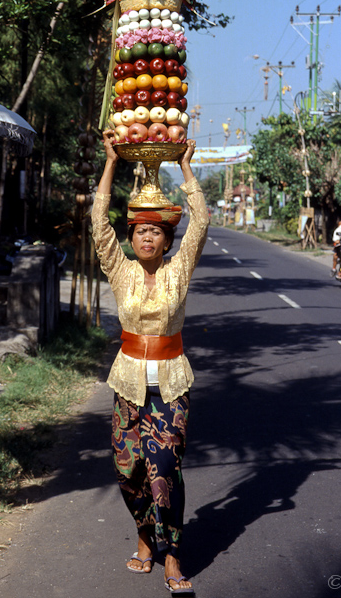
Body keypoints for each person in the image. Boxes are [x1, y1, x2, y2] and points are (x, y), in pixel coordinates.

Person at [91, 130, 209, 594]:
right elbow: (99, 224)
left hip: (171, 386)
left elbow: (200, 222)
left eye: (155, 231)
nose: (146, 237)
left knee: (165, 469)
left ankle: (172, 555)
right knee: (129, 471)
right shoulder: (120, 270)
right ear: (133, 236)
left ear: (165, 239)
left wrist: (184, 166)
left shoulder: (180, 268)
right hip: (127, 384)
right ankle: (144, 537)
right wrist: (111, 162)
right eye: (140, 230)